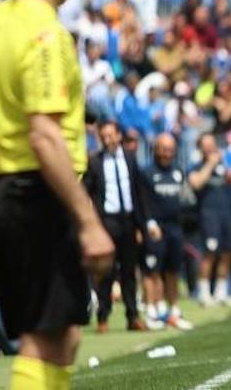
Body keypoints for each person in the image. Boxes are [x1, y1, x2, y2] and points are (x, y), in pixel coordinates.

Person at [0, 0, 114, 390]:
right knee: (47, 339)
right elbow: (45, 136)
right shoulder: (46, 34)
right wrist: (88, 221)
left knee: (60, 335)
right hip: (38, 190)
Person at [85, 121, 163, 332]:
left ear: (119, 136)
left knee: (129, 270)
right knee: (107, 272)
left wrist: (146, 222)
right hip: (107, 221)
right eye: (104, 136)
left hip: (128, 220)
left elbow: (140, 193)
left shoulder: (130, 159)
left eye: (111, 135)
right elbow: (86, 192)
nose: (108, 140)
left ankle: (133, 316)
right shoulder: (95, 163)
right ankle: (103, 317)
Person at [142, 133, 194, 330]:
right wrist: (149, 224)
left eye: (170, 149)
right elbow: (143, 202)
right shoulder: (147, 172)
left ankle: (173, 310)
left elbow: (185, 198)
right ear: (156, 149)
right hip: (156, 227)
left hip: (175, 227)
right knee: (152, 269)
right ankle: (152, 310)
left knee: (173, 270)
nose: (166, 153)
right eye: (163, 149)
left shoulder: (178, 172)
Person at [188, 132, 231, 306]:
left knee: (227, 253)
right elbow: (196, 183)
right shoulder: (196, 166)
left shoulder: (225, 164)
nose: (210, 147)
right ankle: (204, 292)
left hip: (227, 213)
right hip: (208, 215)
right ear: (200, 148)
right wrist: (210, 163)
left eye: (212, 144)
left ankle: (221, 292)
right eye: (206, 145)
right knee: (210, 253)